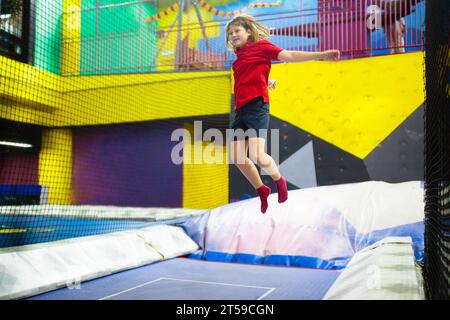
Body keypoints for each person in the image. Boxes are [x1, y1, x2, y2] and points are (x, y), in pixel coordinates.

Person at [225, 15, 340, 213]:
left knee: (257, 155)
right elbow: (250, 75)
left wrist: (320, 55)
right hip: (240, 110)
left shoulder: (261, 47)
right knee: (237, 157)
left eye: (237, 31)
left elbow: (289, 56)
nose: (233, 35)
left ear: (249, 32)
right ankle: (262, 189)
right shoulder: (238, 59)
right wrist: (267, 80)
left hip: (257, 107)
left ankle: (279, 180)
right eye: (230, 33)